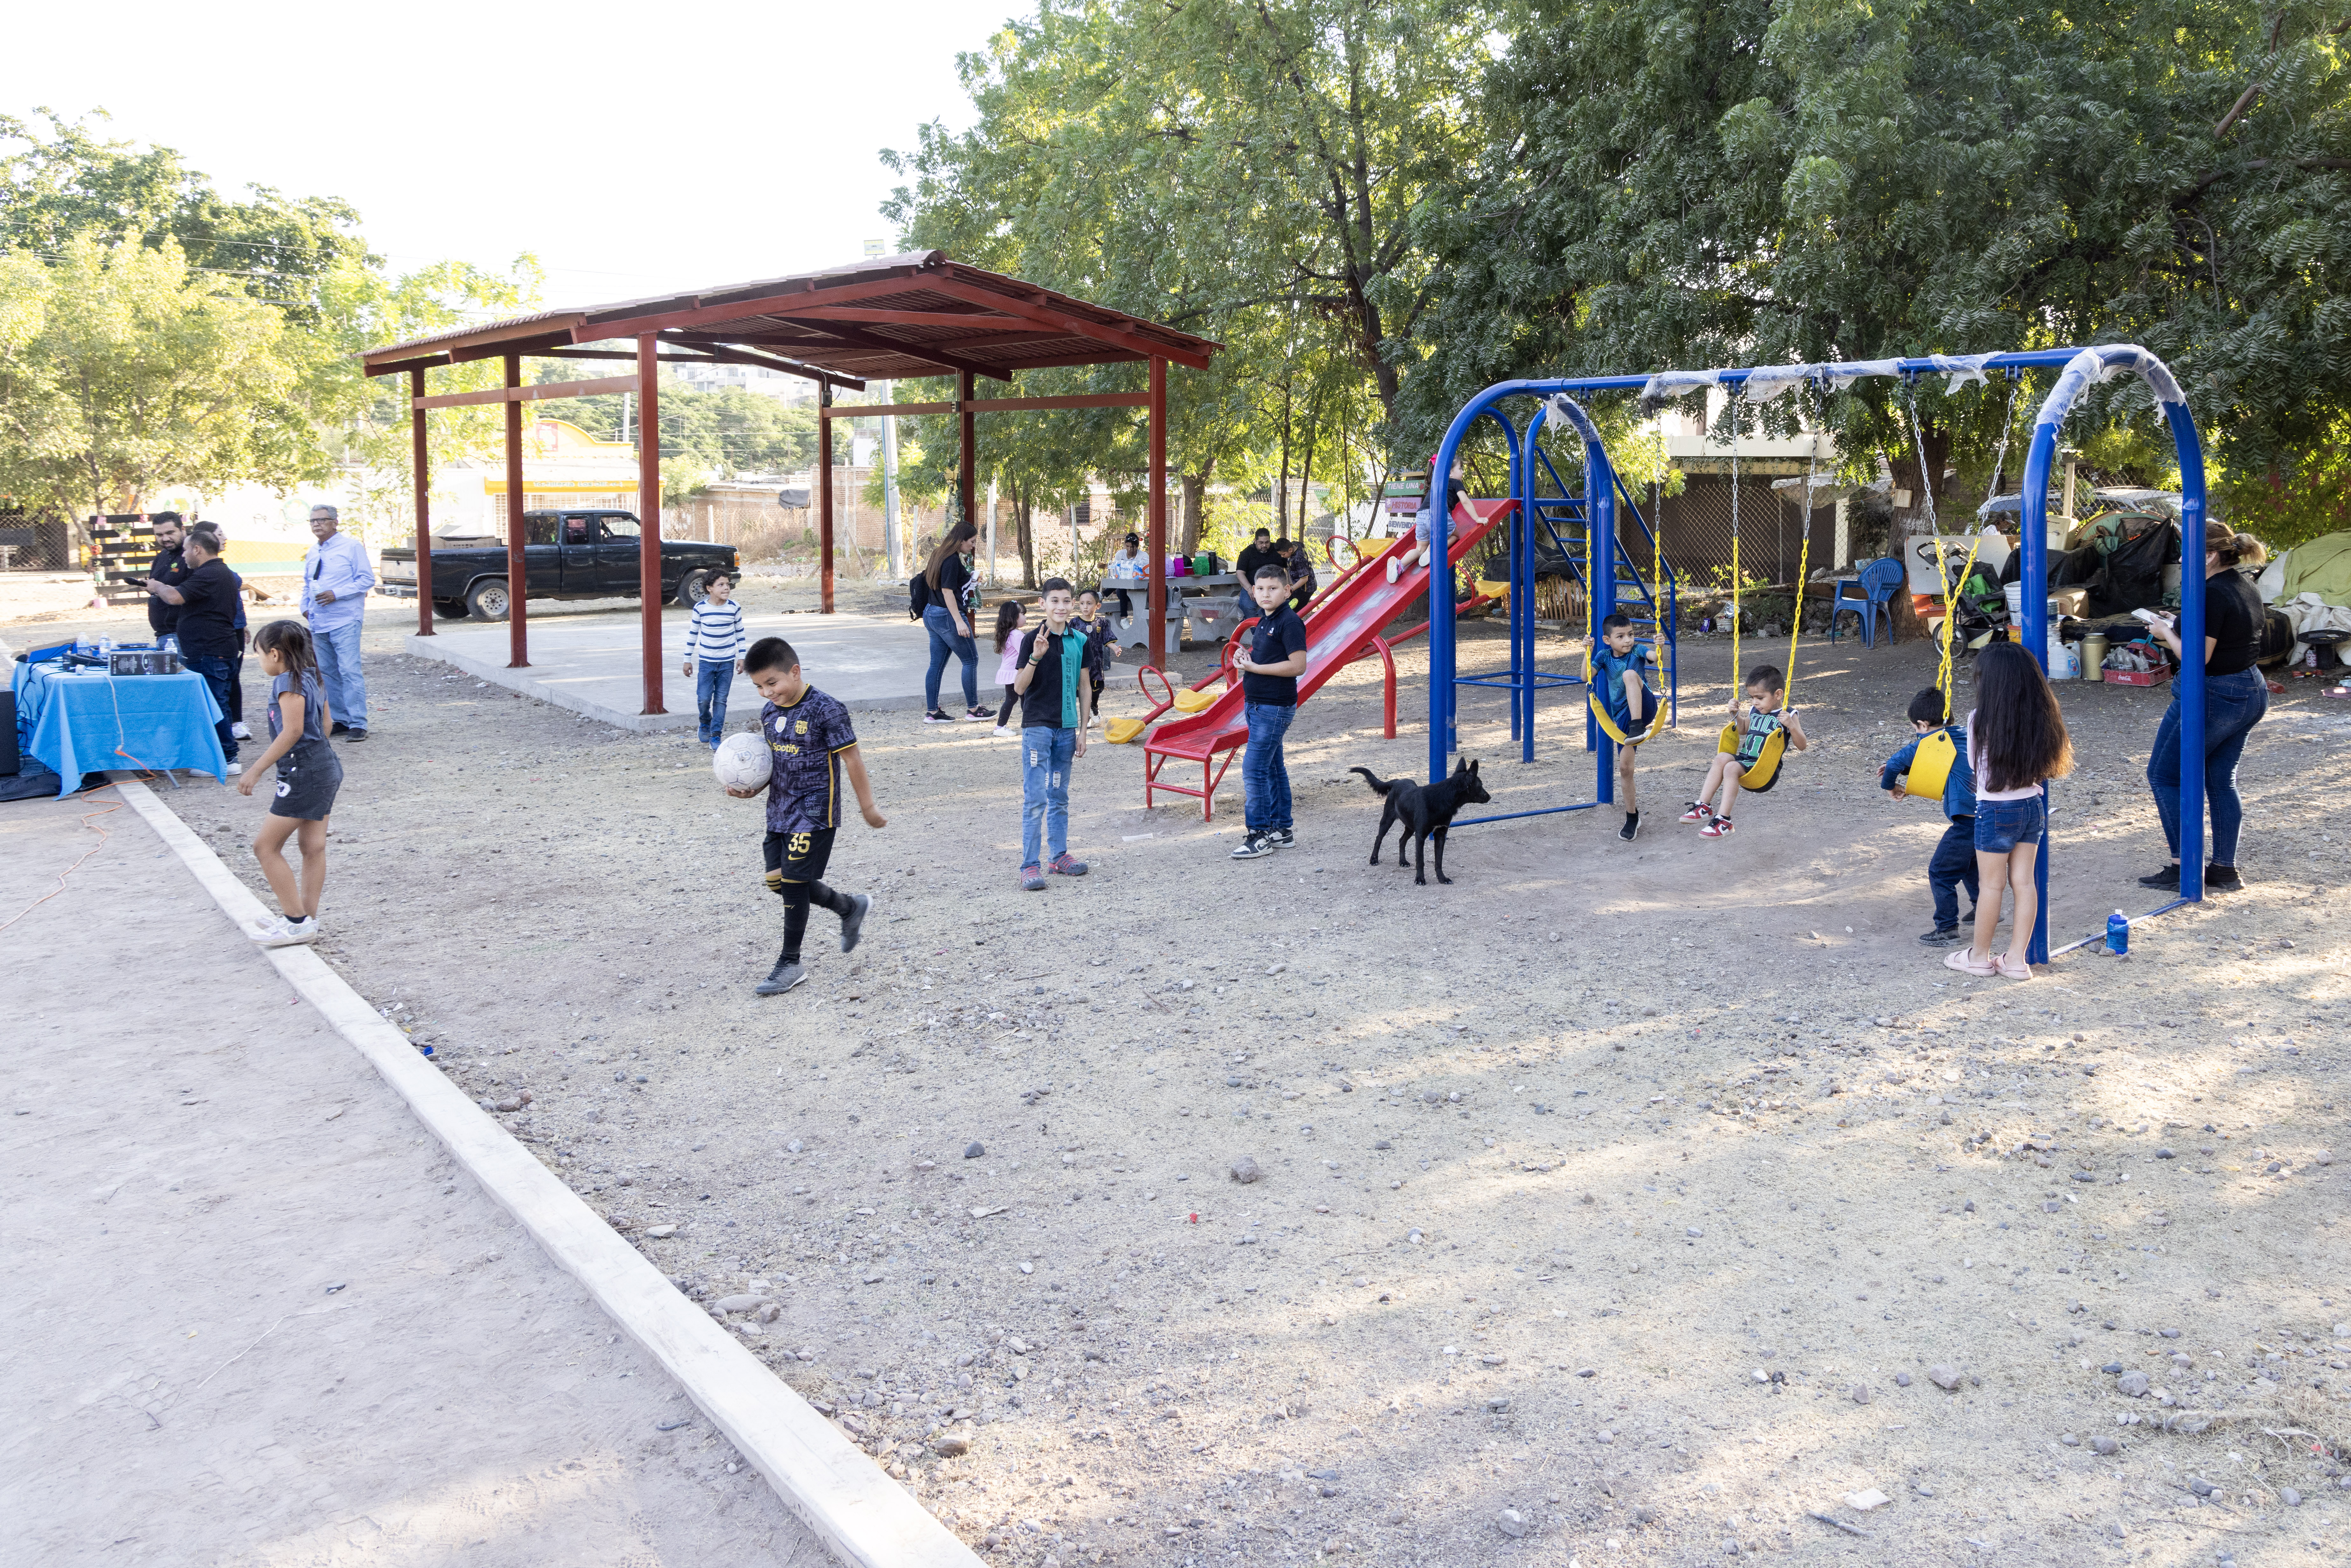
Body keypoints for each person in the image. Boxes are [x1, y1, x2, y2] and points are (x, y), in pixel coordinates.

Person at [723, 636, 883, 996]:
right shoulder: (769, 713)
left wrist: (868, 807)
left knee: (794, 884)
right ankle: (849, 907)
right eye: (758, 687)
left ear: (794, 672)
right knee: (778, 882)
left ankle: (790, 962)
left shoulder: (827, 709)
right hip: (779, 812)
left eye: (772, 683)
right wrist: (750, 788)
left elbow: (853, 759)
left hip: (814, 813)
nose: (767, 693)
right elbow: (773, 765)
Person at [2139, 524, 2270, 892]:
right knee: (2219, 780)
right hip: (2248, 689)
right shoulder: (2242, 584)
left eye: (2187, 552)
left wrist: (2165, 634)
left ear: (2210, 555)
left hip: (2214, 694)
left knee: (2164, 775)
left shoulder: (2210, 594)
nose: (2181, 559)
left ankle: (2184, 865)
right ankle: (2224, 870)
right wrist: (2173, 626)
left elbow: (2198, 658)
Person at [1950, 641, 2074, 980]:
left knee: (1991, 886)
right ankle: (2016, 960)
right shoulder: (2043, 716)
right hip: (2032, 806)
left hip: (1994, 810)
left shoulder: (1979, 719)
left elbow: (1975, 766)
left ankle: (1978, 957)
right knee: (2024, 883)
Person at [238, 620, 344, 948]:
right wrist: (316, 755)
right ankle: (304, 919)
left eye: (258, 654)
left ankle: (296, 922)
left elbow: (292, 731)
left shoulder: (288, 682)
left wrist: (255, 769)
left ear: (274, 653)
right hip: (324, 766)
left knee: (265, 847)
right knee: (312, 847)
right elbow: (326, 723)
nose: (259, 661)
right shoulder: (314, 676)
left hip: (304, 773)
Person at [1010, 577, 1093, 890]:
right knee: (1035, 800)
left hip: (1066, 730)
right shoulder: (1031, 639)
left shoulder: (1079, 640)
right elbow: (1019, 687)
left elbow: (1084, 687)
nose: (1061, 606)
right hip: (1038, 730)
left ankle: (1058, 856)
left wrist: (1083, 730)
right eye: (1054, 600)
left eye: (1066, 600)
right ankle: (1029, 866)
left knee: (1058, 795)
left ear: (1072, 604)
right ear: (1042, 604)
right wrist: (1035, 656)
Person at [1880, 686, 1979, 944]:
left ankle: (1946, 928)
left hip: (1967, 820)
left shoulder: (1929, 741)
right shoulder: (1967, 734)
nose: (1916, 732)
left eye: (1915, 727)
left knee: (1940, 871)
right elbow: (1942, 766)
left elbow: (1893, 764)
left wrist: (1892, 786)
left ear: (1923, 725)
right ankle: (1983, 908)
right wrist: (1906, 774)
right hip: (1988, 814)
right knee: (1970, 863)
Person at [1229, 563, 1310, 860]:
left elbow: (1298, 665)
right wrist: (1246, 656)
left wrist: (1256, 668)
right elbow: (1264, 657)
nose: (1265, 594)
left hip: (1274, 708)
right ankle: (1282, 830)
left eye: (1273, 588)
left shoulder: (1290, 622)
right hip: (1258, 705)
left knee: (1254, 768)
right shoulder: (1263, 621)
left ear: (1287, 591)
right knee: (1274, 768)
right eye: (1260, 589)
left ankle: (1259, 835)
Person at [145, 523, 242, 766]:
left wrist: (157, 587)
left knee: (213, 703)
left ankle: (226, 759)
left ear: (198, 550)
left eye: (186, 551)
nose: (184, 556)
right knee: (217, 702)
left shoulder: (210, 574)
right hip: (212, 650)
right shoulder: (215, 572)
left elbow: (175, 597)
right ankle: (222, 753)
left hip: (211, 651)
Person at [1683, 665, 1807, 837]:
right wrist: (1735, 715)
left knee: (1731, 768)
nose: (1755, 702)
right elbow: (1742, 729)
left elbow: (1802, 745)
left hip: (1764, 771)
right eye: (1752, 698)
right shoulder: (1755, 711)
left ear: (1778, 695)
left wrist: (1791, 726)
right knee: (1722, 758)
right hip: (1746, 761)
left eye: (1760, 698)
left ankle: (1724, 820)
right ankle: (1704, 806)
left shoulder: (1789, 714)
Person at [301, 503, 375, 742]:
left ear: (335, 522)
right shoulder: (313, 552)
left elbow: (366, 580)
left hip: (345, 618)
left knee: (349, 670)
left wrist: (337, 593)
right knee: (327, 672)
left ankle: (358, 723)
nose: (316, 525)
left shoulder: (351, 547)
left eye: (322, 520)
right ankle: (341, 720)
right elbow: (307, 584)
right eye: (313, 521)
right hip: (319, 621)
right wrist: (305, 607)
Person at [1584, 612, 1657, 841]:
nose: (1628, 640)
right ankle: (1632, 817)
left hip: (1645, 708)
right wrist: (1585, 651)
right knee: (1626, 770)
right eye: (1621, 636)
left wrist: (1659, 647)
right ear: (1608, 640)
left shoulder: (1637, 650)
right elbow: (1586, 676)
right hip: (1623, 720)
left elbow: (1653, 657)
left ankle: (1637, 726)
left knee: (1629, 674)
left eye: (1631, 635)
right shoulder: (1604, 656)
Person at [920, 522, 991, 724]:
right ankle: (973, 709)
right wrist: (959, 621)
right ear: (961, 540)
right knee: (971, 661)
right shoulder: (951, 560)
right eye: (972, 542)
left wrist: (969, 580)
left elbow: (944, 584)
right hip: (947, 616)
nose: (973, 546)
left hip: (931, 614)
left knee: (936, 665)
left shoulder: (938, 554)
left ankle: (932, 713)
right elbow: (947, 591)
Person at [682, 568, 747, 747]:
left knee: (721, 699)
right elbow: (693, 635)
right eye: (721, 585)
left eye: (728, 584)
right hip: (706, 662)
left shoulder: (734, 607)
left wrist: (742, 656)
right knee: (703, 699)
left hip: (727, 662)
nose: (726, 588)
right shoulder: (700, 609)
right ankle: (705, 722)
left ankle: (716, 734)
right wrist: (687, 659)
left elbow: (740, 634)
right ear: (709, 588)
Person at [1388, 455, 1465, 584]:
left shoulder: (1436, 483)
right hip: (1439, 515)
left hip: (1422, 516)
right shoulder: (1456, 483)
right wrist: (1478, 518)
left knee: (1419, 549)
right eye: (1460, 468)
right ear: (1450, 473)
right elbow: (1465, 502)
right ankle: (1432, 550)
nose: (1463, 472)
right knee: (1455, 535)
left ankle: (1400, 564)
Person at [143, 511, 189, 641]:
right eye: (159, 535)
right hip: (163, 634)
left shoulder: (192, 556)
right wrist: (150, 587)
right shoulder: (162, 556)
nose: (165, 539)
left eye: (170, 533)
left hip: (184, 635)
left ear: (183, 529)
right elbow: (161, 589)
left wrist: (160, 588)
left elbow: (196, 592)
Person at [1075, 589, 1116, 727]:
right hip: (1081, 664)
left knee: (1097, 688)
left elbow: (1107, 639)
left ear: (1098, 606)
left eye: (1089, 604)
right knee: (1082, 690)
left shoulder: (1102, 623)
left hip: (1097, 663)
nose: (1085, 607)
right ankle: (1085, 717)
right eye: (1082, 604)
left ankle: (1094, 708)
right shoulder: (1074, 623)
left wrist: (1115, 648)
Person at [991, 599, 1027, 736]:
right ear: (1015, 618)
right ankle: (1029, 725)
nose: (1025, 617)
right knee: (1024, 698)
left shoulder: (1008, 633)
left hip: (1010, 673)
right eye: (1023, 614)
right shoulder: (1017, 635)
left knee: (1012, 700)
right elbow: (1026, 654)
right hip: (1016, 673)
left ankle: (1001, 727)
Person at [1106, 530, 1145, 620]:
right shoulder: (1120, 554)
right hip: (1123, 591)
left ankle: (1104, 594)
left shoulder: (1143, 556)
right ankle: (1124, 618)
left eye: (1133, 547)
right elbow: (1117, 573)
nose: (1130, 549)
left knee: (1123, 581)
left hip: (1139, 591)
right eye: (1127, 546)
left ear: (1137, 547)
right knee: (1123, 585)